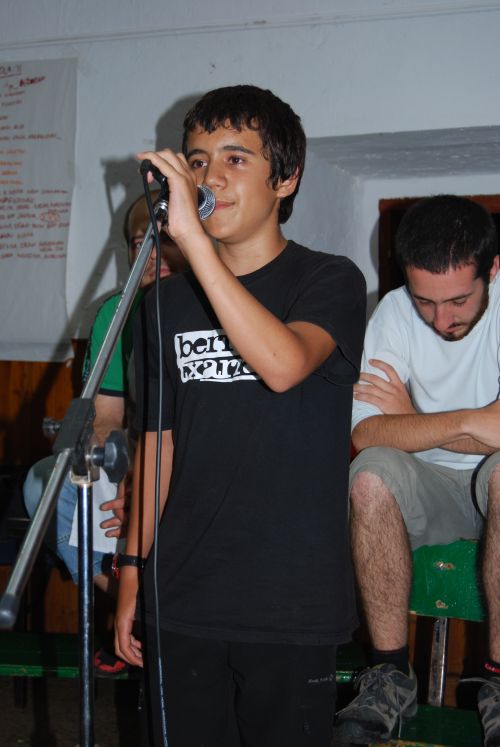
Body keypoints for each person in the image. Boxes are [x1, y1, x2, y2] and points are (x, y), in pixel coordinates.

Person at [114, 84, 366, 747]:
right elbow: (158, 445)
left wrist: (193, 246)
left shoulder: (329, 280)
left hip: (289, 602)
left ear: (287, 178)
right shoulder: (163, 306)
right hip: (182, 591)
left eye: (235, 158)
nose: (210, 178)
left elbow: (284, 364)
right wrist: (132, 570)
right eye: (197, 161)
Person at [333, 194, 500, 746]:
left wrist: (414, 420)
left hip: (496, 479)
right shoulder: (394, 310)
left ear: (494, 270)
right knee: (371, 475)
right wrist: (471, 421)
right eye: (425, 301)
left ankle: (499, 681)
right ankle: (389, 674)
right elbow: (366, 434)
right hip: (432, 485)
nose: (441, 320)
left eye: (458, 300)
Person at [23, 192, 187, 670]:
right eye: (141, 242)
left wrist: (152, 480)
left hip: (199, 463)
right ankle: (131, 608)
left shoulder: (214, 306)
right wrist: (124, 472)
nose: (153, 254)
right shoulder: (117, 313)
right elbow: (104, 416)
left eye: (167, 241)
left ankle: (159, 616)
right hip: (138, 454)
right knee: (45, 484)